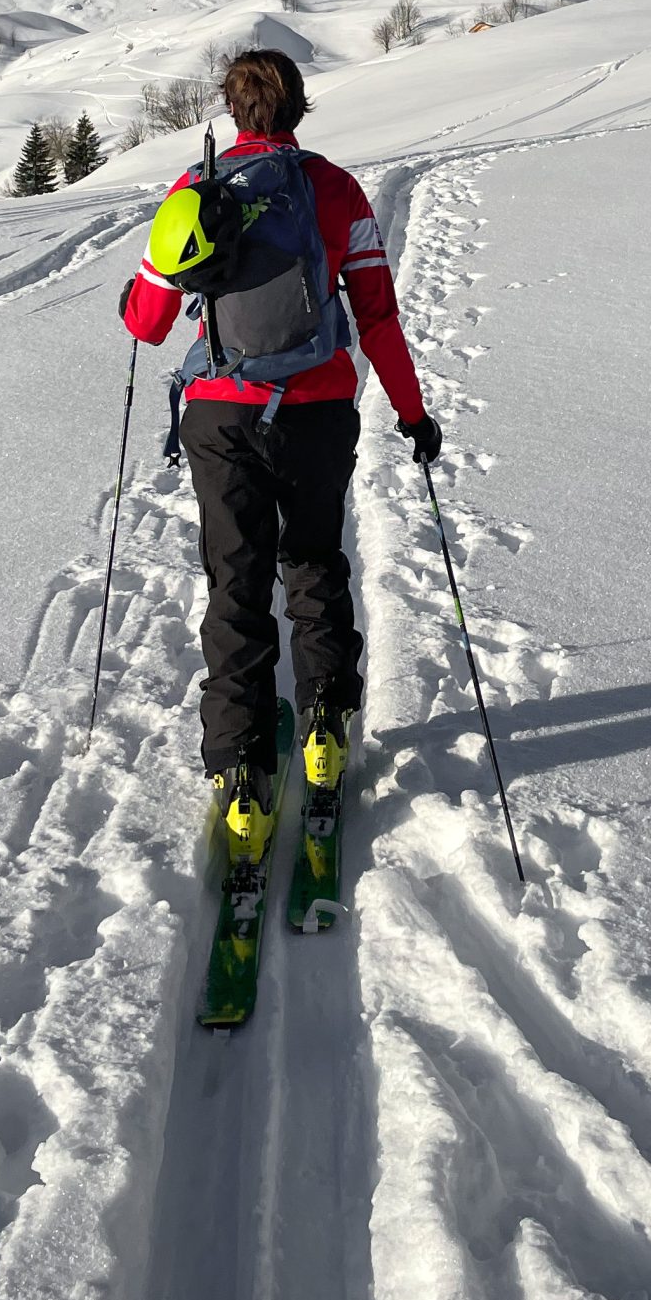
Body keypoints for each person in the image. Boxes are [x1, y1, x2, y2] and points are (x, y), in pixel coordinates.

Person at [119, 48, 439, 858]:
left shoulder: (197, 190)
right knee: (314, 564)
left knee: (236, 583)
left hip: (221, 419)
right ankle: (326, 726)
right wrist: (412, 411)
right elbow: (376, 315)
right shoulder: (335, 190)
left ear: (233, 112)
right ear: (299, 109)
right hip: (319, 410)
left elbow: (148, 324)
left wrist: (141, 292)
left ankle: (240, 778)